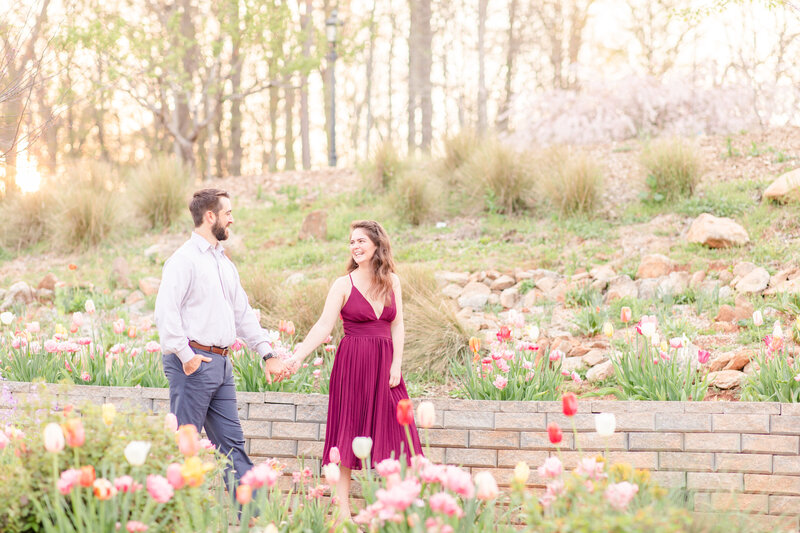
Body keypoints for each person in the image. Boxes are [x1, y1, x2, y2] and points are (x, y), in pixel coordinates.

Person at [154, 188, 289, 494]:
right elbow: (166, 312)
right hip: (193, 365)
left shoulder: (224, 263)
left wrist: (267, 354)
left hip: (222, 366)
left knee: (233, 447)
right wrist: (186, 356)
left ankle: (252, 521)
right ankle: (174, 518)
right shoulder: (183, 260)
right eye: (228, 213)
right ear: (210, 216)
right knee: (184, 449)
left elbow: (243, 314)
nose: (232, 219)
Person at [287, 220, 423, 520]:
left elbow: (397, 324)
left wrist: (397, 364)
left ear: (377, 244)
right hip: (353, 367)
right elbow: (324, 325)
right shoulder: (343, 284)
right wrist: (298, 356)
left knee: (397, 434)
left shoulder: (393, 282)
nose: (355, 247)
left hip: (385, 366)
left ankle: (393, 510)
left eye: (361, 241)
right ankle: (343, 513)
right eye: (352, 242)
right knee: (348, 432)